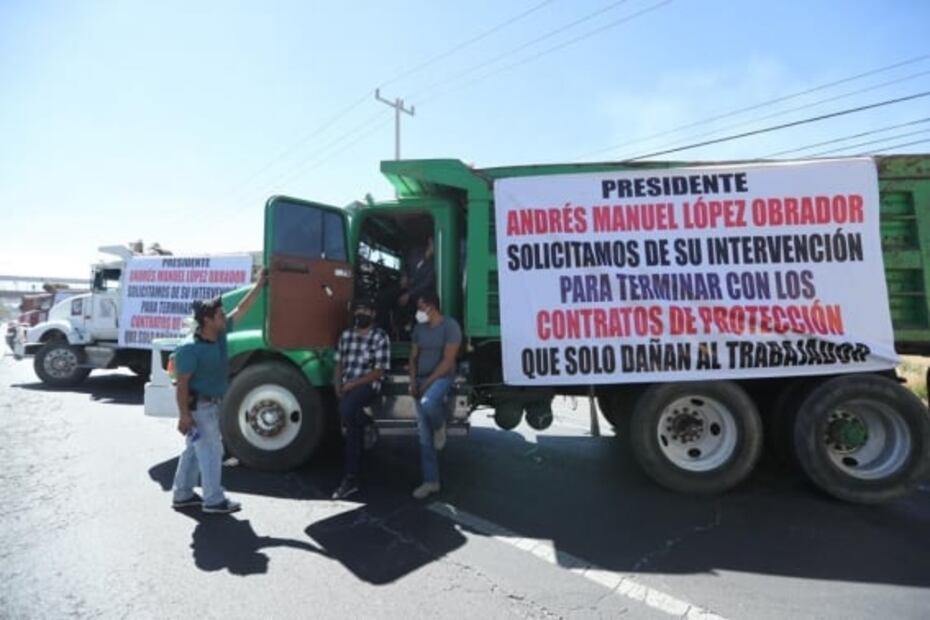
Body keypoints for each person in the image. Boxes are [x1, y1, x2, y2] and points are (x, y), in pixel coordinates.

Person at [171, 270, 267, 514]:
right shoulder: (189, 349)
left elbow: (241, 311)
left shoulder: (219, 334)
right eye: (220, 315)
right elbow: (182, 385)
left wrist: (258, 286)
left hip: (209, 405)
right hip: (199, 408)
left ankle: (182, 494)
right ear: (207, 321)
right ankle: (213, 500)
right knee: (212, 452)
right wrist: (184, 415)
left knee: (194, 450)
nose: (225, 316)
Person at [331, 298, 391, 500]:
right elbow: (338, 363)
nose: (361, 313)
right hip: (348, 387)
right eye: (359, 309)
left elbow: (379, 371)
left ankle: (368, 422)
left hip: (368, 386)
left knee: (346, 412)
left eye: (366, 309)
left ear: (373, 314)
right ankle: (350, 477)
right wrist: (338, 385)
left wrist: (352, 385)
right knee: (352, 428)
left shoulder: (380, 336)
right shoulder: (346, 335)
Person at [409, 291, 461, 499]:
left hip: (441, 378)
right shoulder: (419, 329)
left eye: (421, 307)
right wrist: (413, 382)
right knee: (423, 435)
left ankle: (440, 426)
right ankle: (431, 481)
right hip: (420, 380)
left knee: (429, 402)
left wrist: (427, 383)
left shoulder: (450, 326)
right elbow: (413, 358)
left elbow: (448, 361)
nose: (418, 312)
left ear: (431, 307)